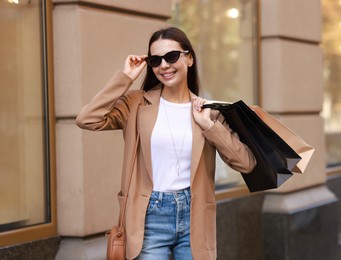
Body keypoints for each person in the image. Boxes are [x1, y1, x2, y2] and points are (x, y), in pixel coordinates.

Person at [76, 27, 256, 260]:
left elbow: (246, 163)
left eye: (171, 56)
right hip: (149, 217)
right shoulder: (136, 104)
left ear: (189, 58)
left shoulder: (208, 112)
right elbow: (87, 119)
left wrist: (210, 127)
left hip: (194, 216)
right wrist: (126, 77)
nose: (164, 65)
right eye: (155, 60)